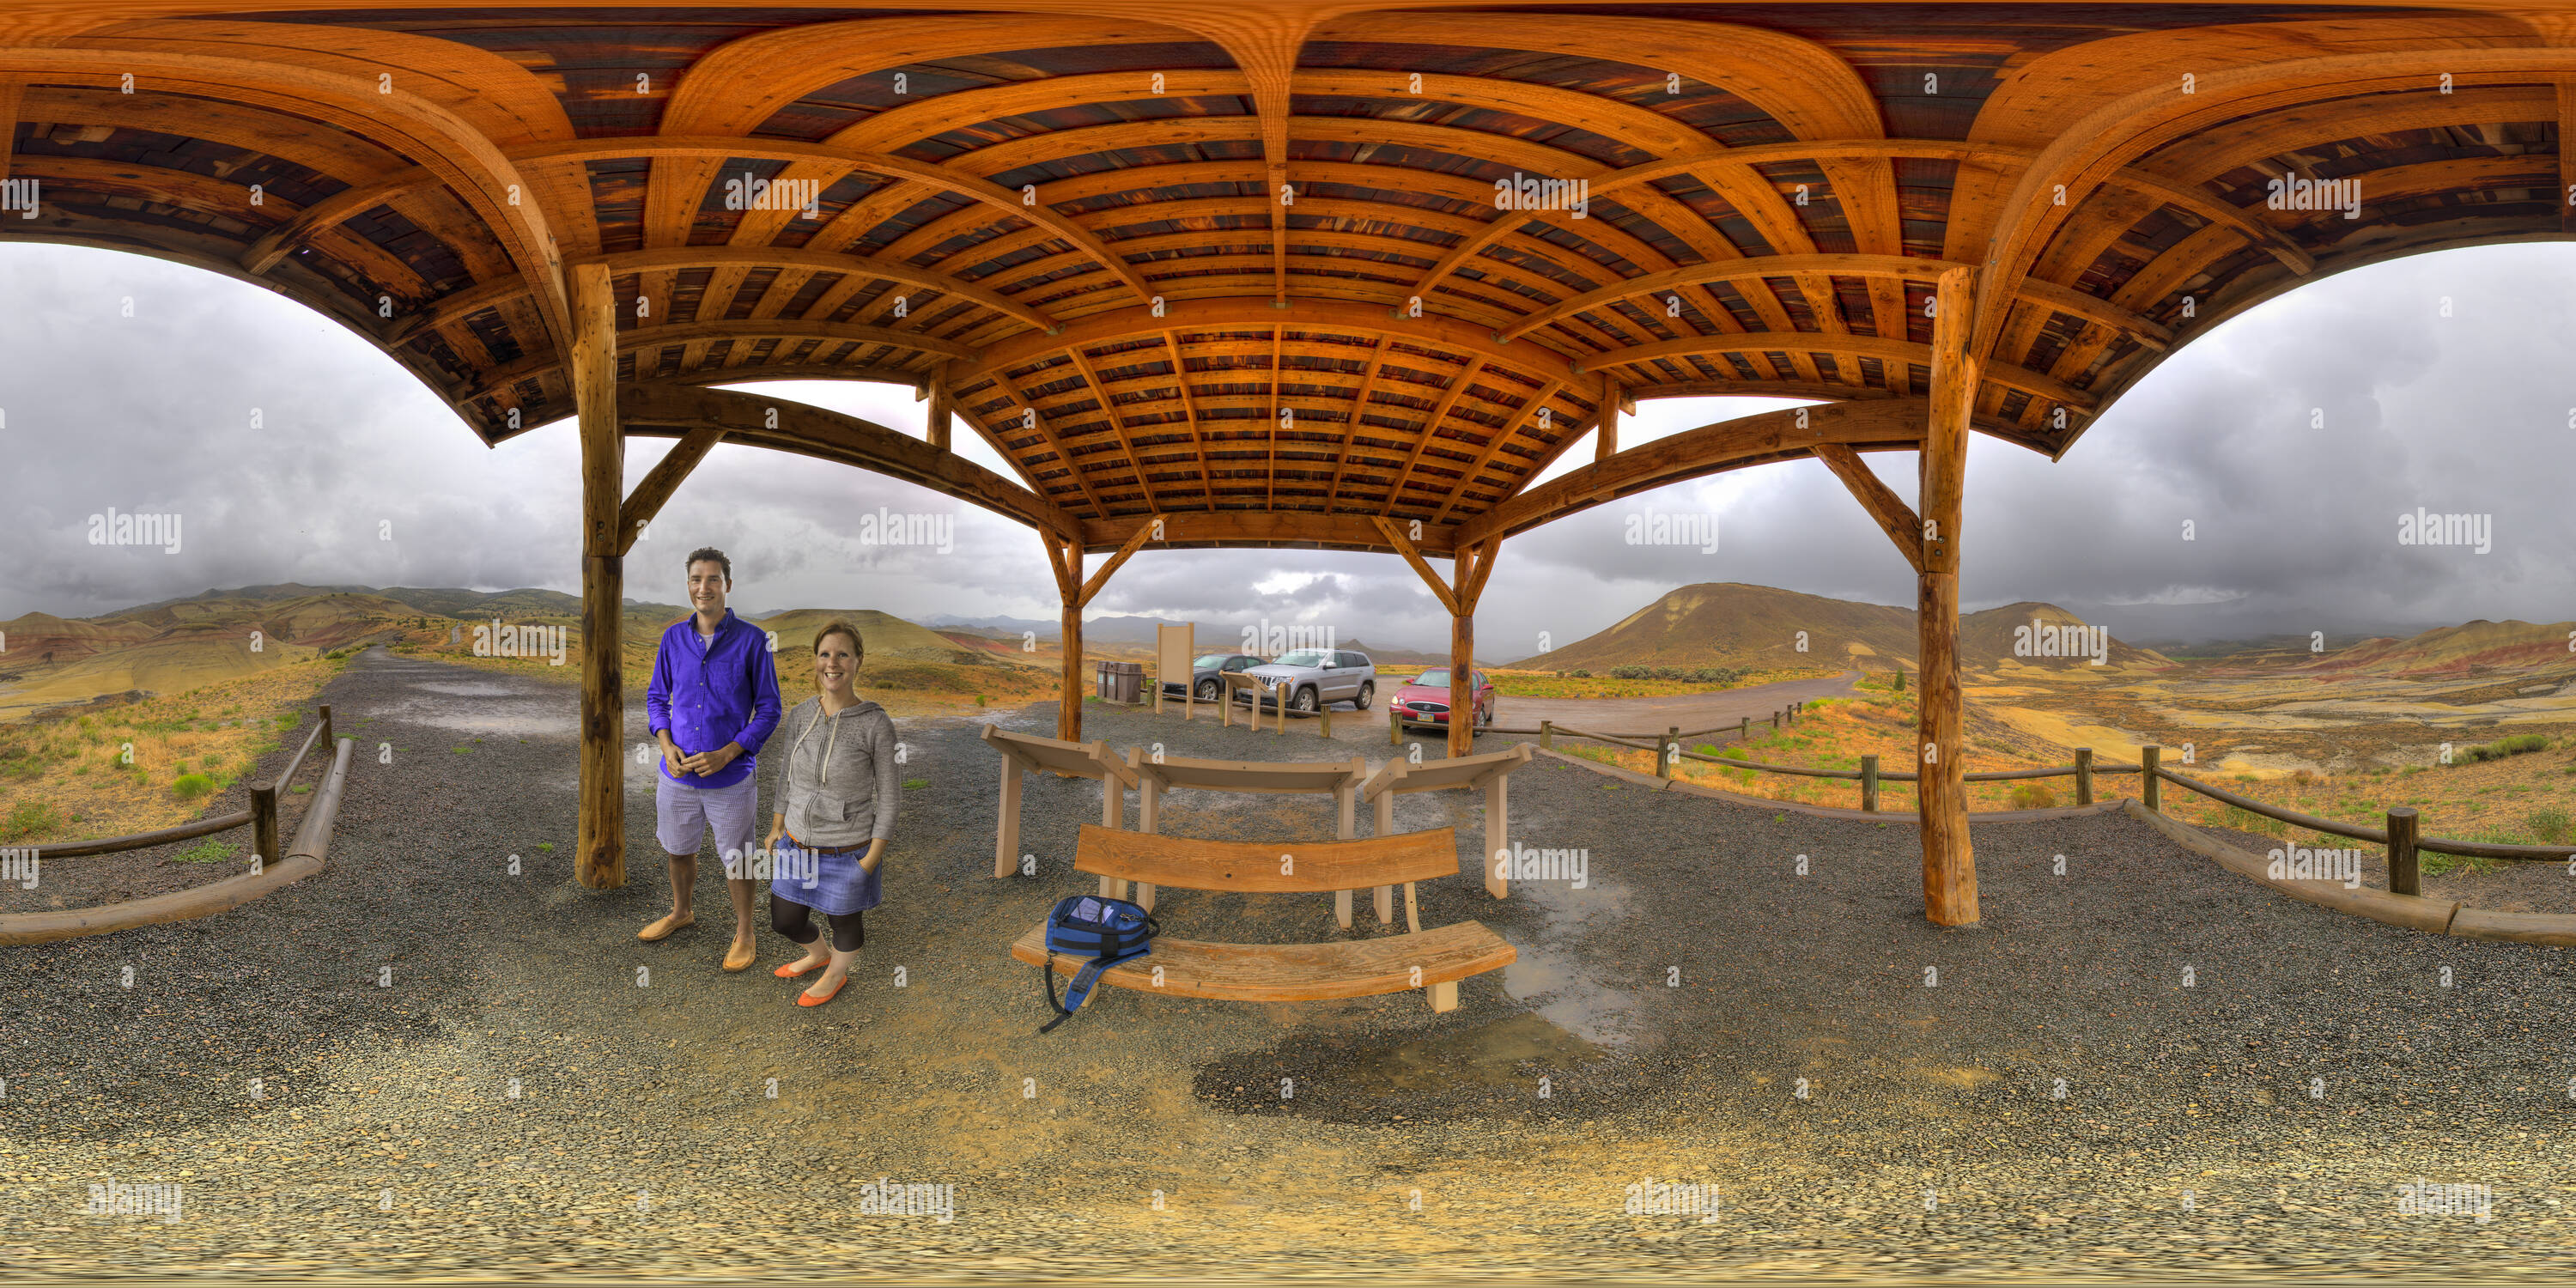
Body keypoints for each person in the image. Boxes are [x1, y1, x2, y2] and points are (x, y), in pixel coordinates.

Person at [641, 548, 782, 971]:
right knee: (679, 849)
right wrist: (665, 745)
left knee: (737, 858)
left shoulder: (753, 640)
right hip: (677, 775)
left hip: (732, 777)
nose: (704, 587)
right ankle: (681, 912)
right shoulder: (672, 639)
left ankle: (744, 932)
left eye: (713, 579)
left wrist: (729, 752)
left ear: (727, 585)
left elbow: (770, 708)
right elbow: (655, 699)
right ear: (689, 585)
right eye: (697, 579)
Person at [763, 620, 899, 1006]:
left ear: (858, 661)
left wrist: (871, 859)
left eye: (842, 654)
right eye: (825, 654)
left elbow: (889, 797)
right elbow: (786, 776)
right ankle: (817, 954)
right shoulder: (801, 714)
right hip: (795, 842)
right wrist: (776, 826)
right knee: (784, 920)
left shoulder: (875, 723)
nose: (832, 662)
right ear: (816, 660)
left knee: (845, 922)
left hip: (847, 849)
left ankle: (835, 974)